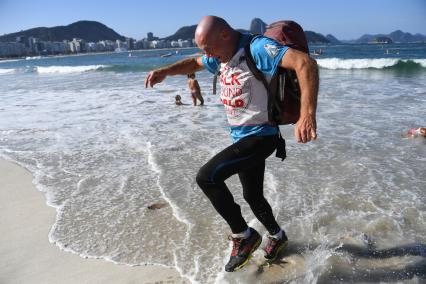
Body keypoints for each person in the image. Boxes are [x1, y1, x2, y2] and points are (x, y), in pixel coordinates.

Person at [145, 15, 318, 272]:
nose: (207, 55)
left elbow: (305, 63)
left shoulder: (257, 48)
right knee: (253, 195)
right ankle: (277, 236)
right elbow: (194, 61)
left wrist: (307, 115)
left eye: (208, 48)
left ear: (225, 35)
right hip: (242, 137)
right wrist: (165, 71)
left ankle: (243, 236)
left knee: (207, 177)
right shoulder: (221, 57)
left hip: (261, 136)